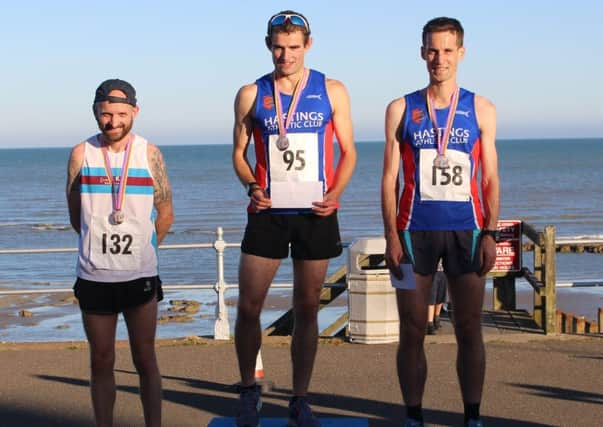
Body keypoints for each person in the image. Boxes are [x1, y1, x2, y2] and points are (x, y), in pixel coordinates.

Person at [232, 10, 356, 427]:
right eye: (279, 47)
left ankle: (300, 398)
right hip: (267, 212)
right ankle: (250, 388)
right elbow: (239, 154)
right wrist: (252, 185)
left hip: (315, 213)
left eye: (294, 47)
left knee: (307, 308)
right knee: (249, 307)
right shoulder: (251, 94)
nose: (286, 55)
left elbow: (349, 151)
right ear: (269, 45)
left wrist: (335, 194)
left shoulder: (332, 90)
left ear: (308, 45)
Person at [381, 17, 499, 427]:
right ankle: (413, 415)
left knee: (469, 327)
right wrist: (391, 236)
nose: (439, 59)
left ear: (461, 54)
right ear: (421, 52)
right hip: (414, 234)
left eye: (448, 50)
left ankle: (472, 416)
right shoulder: (401, 108)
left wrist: (490, 233)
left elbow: (489, 178)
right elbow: (388, 178)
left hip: (466, 232)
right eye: (432, 50)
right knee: (411, 328)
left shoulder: (481, 108)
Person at [66, 79, 174, 427]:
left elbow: (166, 213)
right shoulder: (82, 154)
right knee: (100, 360)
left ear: (135, 112)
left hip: (139, 276)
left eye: (121, 114)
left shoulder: (150, 154)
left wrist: (145, 247)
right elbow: (75, 215)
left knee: (145, 359)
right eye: (106, 114)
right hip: (94, 276)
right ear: (95, 113)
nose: (113, 122)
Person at [427, 263, 448, 335]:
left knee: (440, 296)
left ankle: (436, 319)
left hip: (443, 270)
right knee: (431, 297)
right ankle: (429, 324)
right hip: (431, 271)